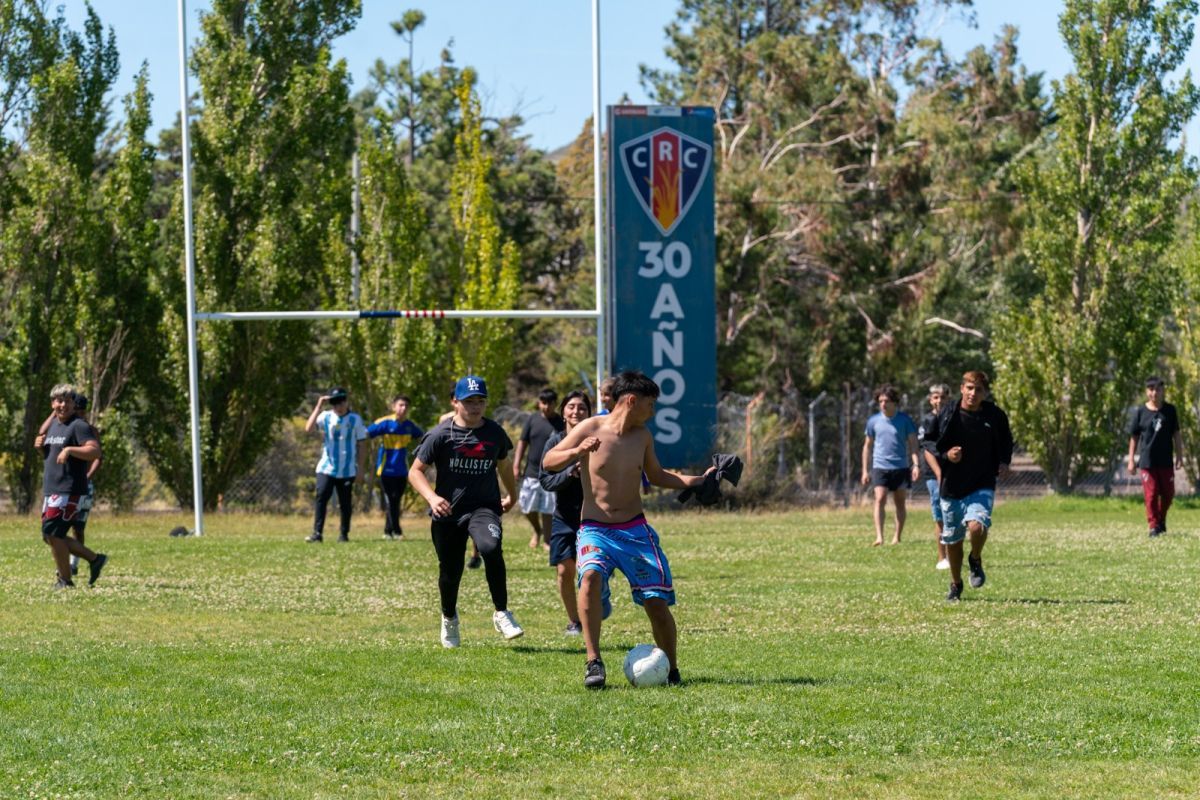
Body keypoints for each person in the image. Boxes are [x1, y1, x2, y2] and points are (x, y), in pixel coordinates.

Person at [544, 370, 713, 688]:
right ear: (632, 401)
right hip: (595, 528)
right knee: (590, 576)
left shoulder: (642, 437)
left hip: (636, 531)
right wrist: (577, 452)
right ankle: (593, 663)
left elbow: (658, 475)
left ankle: (671, 670)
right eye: (650, 405)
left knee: (656, 603)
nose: (653, 412)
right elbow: (549, 460)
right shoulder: (590, 427)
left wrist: (699, 480)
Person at [409, 375, 525, 647]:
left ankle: (501, 612)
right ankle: (449, 618)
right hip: (447, 512)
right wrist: (432, 497)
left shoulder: (494, 432)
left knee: (490, 546)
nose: (475, 407)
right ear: (455, 402)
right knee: (450, 571)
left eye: (480, 401)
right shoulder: (440, 435)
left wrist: (513, 494)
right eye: (469, 401)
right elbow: (415, 472)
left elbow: (505, 466)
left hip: (483, 507)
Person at [922, 371, 1013, 602]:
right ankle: (955, 584)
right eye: (970, 388)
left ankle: (975, 558)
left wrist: (1004, 462)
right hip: (952, 485)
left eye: (978, 389)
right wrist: (946, 455)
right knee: (952, 540)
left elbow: (1006, 440)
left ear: (985, 393)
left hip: (982, 481)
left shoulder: (994, 415)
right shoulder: (947, 413)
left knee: (977, 527)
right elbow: (929, 442)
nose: (973, 393)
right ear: (962, 388)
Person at [33, 384, 107, 589]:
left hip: (69, 490)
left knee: (53, 533)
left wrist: (71, 450)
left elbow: (94, 451)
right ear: (52, 404)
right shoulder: (54, 425)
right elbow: (52, 456)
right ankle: (94, 559)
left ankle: (65, 580)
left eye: (67, 400)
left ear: (74, 403)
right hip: (52, 488)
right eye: (58, 400)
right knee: (49, 535)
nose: (62, 404)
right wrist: (41, 449)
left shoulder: (78, 425)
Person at [539, 390, 592, 635]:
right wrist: (570, 474)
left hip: (594, 516)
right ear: (563, 412)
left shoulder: (597, 439)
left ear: (589, 413)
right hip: (564, 515)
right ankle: (575, 622)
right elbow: (546, 481)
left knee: (590, 571)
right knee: (564, 570)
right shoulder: (555, 442)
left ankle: (596, 604)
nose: (576, 412)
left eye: (581, 407)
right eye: (571, 407)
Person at [304, 387, 368, 543]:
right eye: (334, 403)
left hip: (347, 470)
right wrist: (318, 406)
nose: (337, 407)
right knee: (321, 498)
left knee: (345, 503)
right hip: (326, 468)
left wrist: (360, 469)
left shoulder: (355, 419)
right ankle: (317, 533)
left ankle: (344, 534)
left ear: (346, 401)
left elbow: (362, 445)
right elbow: (308, 428)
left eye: (340, 402)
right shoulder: (325, 417)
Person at [861, 385, 921, 546]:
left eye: (886, 401)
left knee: (899, 502)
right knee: (879, 498)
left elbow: (913, 444)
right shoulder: (873, 421)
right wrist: (865, 471)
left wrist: (916, 465)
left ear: (894, 402)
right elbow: (867, 446)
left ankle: (897, 536)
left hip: (900, 467)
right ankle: (879, 537)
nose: (883, 404)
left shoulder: (905, 420)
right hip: (880, 466)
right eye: (880, 401)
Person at [1126, 376, 1183, 537]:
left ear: (1163, 390)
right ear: (1147, 392)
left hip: (1165, 462)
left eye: (1158, 389)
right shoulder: (1140, 412)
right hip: (1147, 463)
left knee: (1168, 494)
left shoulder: (1170, 410)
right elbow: (1134, 437)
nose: (1155, 392)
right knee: (1151, 496)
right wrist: (1131, 460)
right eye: (1151, 389)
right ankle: (1153, 527)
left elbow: (1176, 434)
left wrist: (1179, 456)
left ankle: (1161, 519)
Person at [367, 394, 424, 540]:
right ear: (394, 406)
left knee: (395, 500)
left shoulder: (409, 426)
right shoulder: (385, 423)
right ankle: (397, 531)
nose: (403, 408)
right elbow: (367, 433)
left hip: (402, 470)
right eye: (400, 405)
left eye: (406, 406)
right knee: (392, 500)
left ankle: (387, 531)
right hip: (386, 469)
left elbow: (423, 437)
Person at [514, 388, 564, 551]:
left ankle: (547, 540)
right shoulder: (532, 420)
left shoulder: (561, 422)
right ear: (539, 403)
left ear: (555, 404)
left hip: (552, 472)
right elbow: (522, 442)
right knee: (526, 506)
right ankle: (537, 529)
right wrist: (516, 465)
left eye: (550, 403)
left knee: (548, 509)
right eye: (543, 403)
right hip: (532, 472)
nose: (546, 407)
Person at [918, 384, 951, 569]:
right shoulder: (927, 420)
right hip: (934, 474)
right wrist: (939, 474)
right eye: (936, 398)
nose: (939, 401)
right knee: (939, 514)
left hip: (953, 471)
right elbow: (927, 449)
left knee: (953, 513)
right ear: (931, 400)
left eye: (943, 398)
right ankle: (942, 557)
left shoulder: (954, 419)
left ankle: (955, 552)